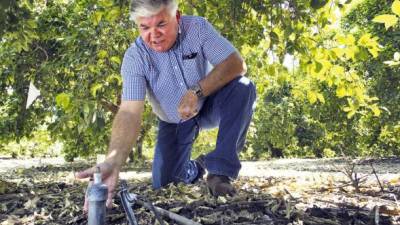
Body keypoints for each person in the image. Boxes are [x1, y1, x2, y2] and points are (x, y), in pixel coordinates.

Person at [76, 0, 256, 211]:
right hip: (173, 121)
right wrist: (113, 160)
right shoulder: (135, 58)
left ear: (177, 17)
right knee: (164, 183)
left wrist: (196, 91)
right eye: (145, 27)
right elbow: (129, 112)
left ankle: (220, 172)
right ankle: (198, 167)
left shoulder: (197, 28)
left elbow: (236, 64)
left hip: (208, 105)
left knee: (244, 87)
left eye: (161, 24)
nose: (154, 34)